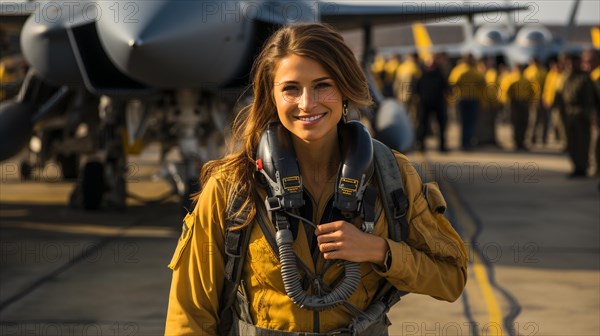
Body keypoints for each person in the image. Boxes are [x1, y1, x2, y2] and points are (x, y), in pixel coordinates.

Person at [164, 23, 467, 335]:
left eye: (323, 85)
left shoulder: (391, 175)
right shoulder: (233, 184)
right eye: (291, 89)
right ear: (272, 96)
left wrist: (380, 251)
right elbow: (189, 313)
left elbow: (450, 277)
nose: (307, 103)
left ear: (346, 88)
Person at [561, 52, 595, 177]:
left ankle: (582, 168)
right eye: (568, 62)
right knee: (571, 143)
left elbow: (590, 99)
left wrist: (590, 116)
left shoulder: (584, 78)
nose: (570, 65)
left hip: (581, 114)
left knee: (582, 143)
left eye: (573, 62)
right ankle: (576, 166)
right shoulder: (566, 77)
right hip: (569, 114)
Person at [448, 53, 486, 150]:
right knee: (468, 122)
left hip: (468, 99)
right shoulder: (470, 70)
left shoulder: (460, 70)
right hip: (466, 99)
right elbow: (482, 82)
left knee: (467, 122)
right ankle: (466, 143)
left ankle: (467, 143)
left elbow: (452, 83)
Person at [415, 53, 449, 152]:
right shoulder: (422, 74)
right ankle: (421, 145)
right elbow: (417, 89)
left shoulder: (440, 74)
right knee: (423, 125)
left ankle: (442, 146)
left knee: (441, 125)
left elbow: (446, 88)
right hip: (425, 104)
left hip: (438, 103)